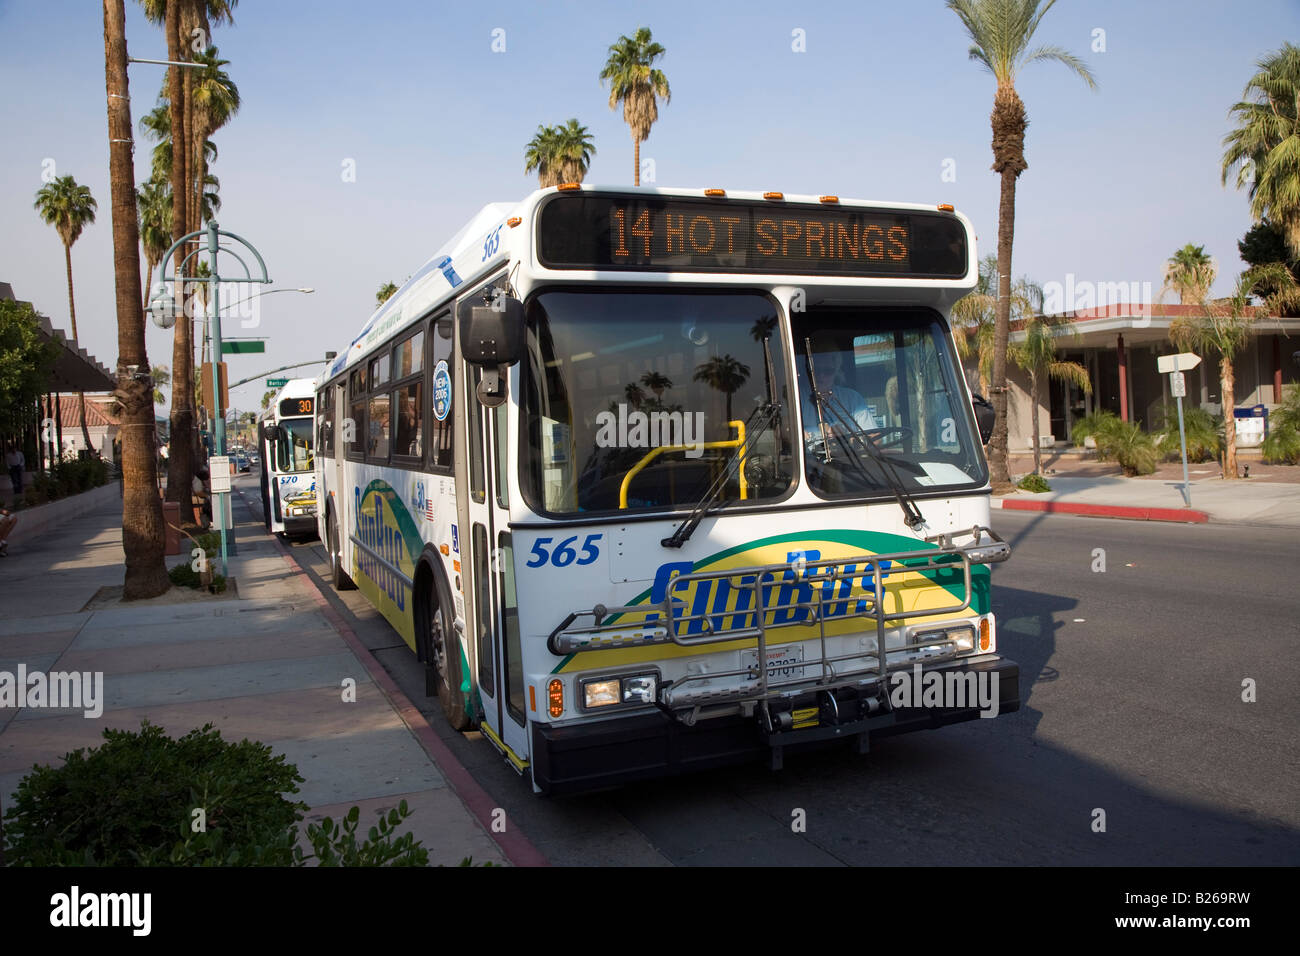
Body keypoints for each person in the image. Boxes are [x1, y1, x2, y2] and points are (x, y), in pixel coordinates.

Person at [799, 345, 879, 455]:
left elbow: (876, 438)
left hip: (850, 464)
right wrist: (797, 435)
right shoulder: (797, 397)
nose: (821, 376)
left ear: (836, 370)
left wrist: (848, 439)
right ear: (809, 370)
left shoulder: (853, 399)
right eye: (817, 370)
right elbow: (786, 431)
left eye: (828, 371)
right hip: (810, 465)